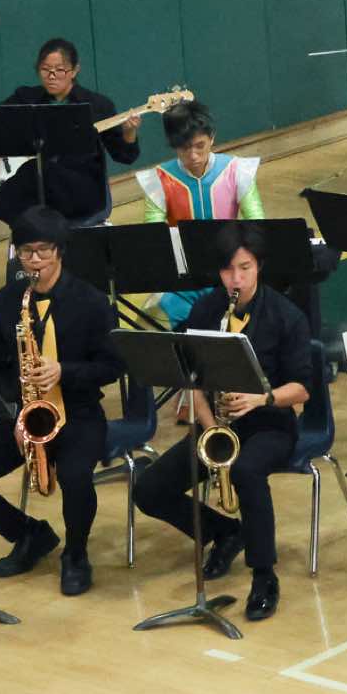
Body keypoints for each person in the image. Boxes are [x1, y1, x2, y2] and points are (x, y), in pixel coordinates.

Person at [131, 224, 312, 621]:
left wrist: (262, 398)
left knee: (247, 471)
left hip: (271, 424)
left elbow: (302, 388)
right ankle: (225, 532)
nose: (236, 279)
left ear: (259, 266)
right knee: (149, 489)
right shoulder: (207, 310)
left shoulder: (286, 316)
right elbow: (192, 378)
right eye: (229, 270)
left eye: (245, 268)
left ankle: (264, 576)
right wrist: (210, 427)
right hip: (218, 424)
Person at [0, 207, 123, 596]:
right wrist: (16, 411)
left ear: (59, 251)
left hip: (78, 412)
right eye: (26, 252)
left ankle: (76, 554)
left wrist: (64, 371)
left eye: (42, 251)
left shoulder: (90, 302)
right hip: (24, 412)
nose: (34, 261)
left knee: (75, 477)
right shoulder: (8, 301)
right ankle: (29, 534)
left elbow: (113, 365)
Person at [0, 37, 142, 253]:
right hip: (35, 187)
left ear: (74, 70)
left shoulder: (97, 105)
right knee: (39, 168)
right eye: (45, 70)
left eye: (59, 70)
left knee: (42, 168)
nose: (51, 76)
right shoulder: (26, 98)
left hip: (81, 189)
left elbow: (125, 156)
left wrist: (129, 132)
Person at [134, 99, 263, 325]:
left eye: (200, 145)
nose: (193, 155)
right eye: (185, 148)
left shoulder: (236, 170)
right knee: (148, 323)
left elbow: (257, 223)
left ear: (212, 137)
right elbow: (153, 235)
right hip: (184, 278)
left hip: (231, 272)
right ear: (174, 145)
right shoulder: (159, 179)